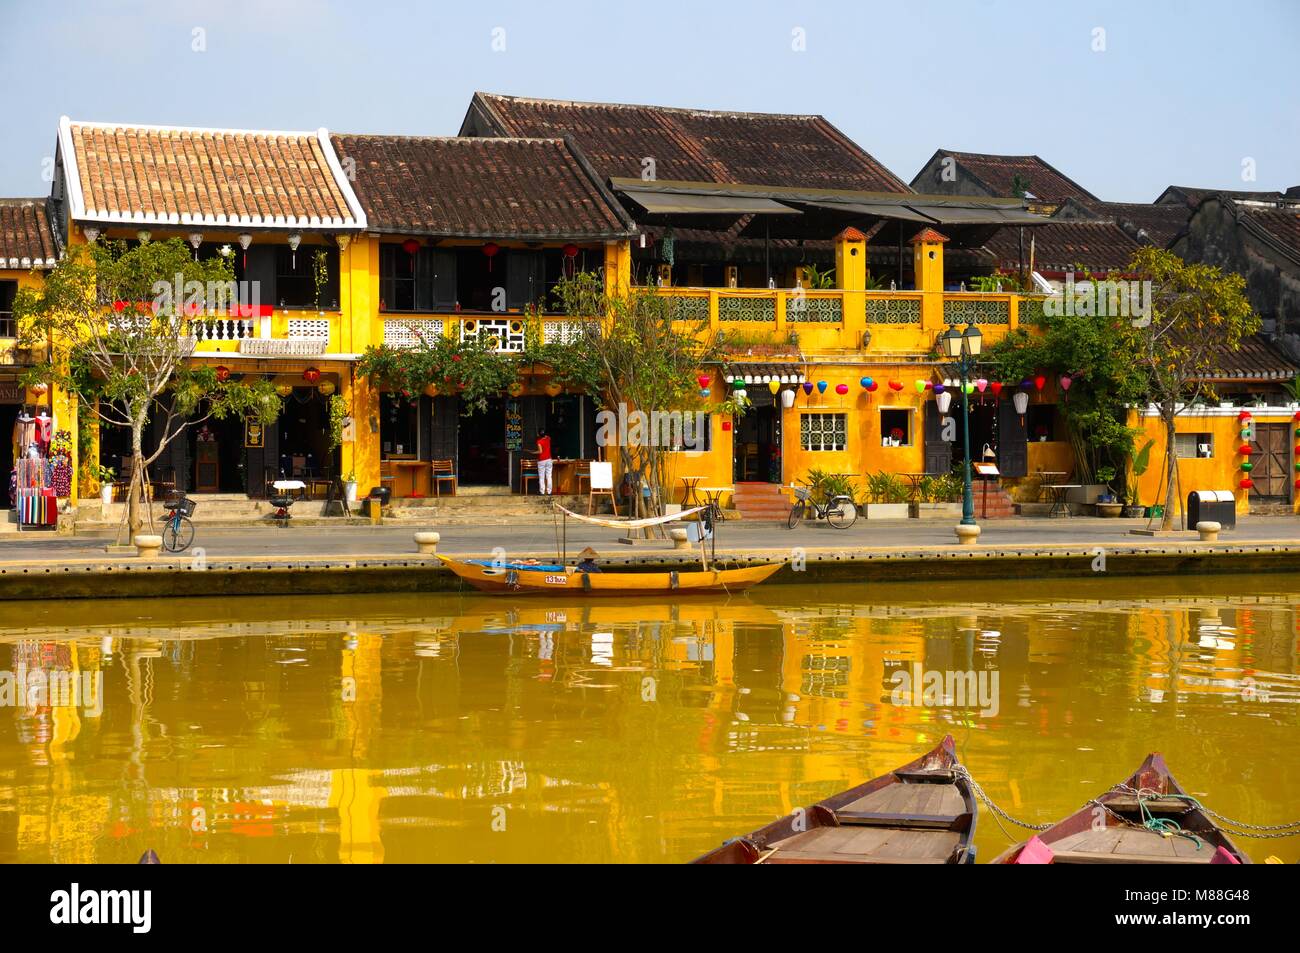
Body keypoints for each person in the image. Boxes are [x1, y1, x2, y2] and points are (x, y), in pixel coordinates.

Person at [530, 428, 553, 495]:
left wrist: (533, 452)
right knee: (549, 476)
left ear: (539, 434)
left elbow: (540, 451)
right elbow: (546, 436)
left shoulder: (539, 441)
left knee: (541, 477)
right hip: (549, 459)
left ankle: (542, 492)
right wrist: (540, 436)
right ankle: (549, 492)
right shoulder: (548, 438)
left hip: (541, 460)